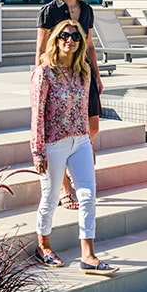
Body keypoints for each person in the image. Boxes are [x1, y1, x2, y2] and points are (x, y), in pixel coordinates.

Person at [30, 20, 118, 275]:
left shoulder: (84, 71)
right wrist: (38, 151)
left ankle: (88, 255)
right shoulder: (44, 72)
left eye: (76, 36)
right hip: (53, 143)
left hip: (80, 141)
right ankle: (43, 246)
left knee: (88, 196)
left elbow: (83, 111)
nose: (70, 40)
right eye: (65, 35)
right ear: (56, 39)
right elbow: (37, 115)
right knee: (50, 198)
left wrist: (88, 143)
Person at [36, 0, 104, 210]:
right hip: (58, 74)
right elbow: (41, 48)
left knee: (92, 126)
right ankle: (65, 188)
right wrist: (40, 77)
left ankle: (76, 160)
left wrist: (97, 75)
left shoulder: (86, 10)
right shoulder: (48, 11)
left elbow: (90, 45)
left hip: (83, 73)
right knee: (61, 131)